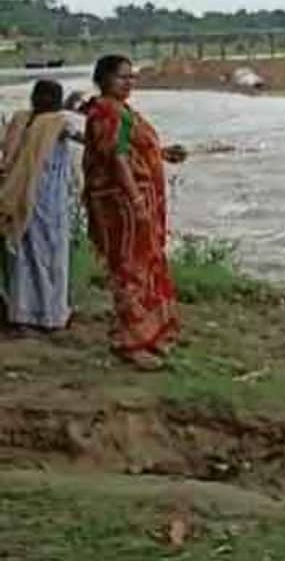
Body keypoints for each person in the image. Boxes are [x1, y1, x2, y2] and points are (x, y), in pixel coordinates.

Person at [83, 55, 187, 370]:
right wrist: (136, 201)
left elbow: (131, 149)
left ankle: (150, 334)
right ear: (103, 79)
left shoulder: (122, 111)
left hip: (137, 201)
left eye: (132, 77)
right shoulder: (105, 111)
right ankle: (130, 341)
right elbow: (117, 158)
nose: (129, 83)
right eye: (122, 77)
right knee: (130, 268)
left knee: (147, 263)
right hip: (123, 206)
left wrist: (162, 153)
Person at [0, 80, 77, 331]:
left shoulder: (21, 119)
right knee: (49, 256)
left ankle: (21, 313)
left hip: (17, 195)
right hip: (48, 201)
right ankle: (48, 315)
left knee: (21, 256)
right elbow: (87, 139)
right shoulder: (59, 123)